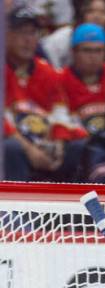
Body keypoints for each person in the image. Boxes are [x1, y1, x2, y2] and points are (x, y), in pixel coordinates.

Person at [3, 5, 70, 181]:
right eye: (21, 33)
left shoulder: (47, 71)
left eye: (32, 33)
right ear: (6, 34)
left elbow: (61, 112)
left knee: (79, 147)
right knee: (9, 148)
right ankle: (11, 207)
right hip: (16, 143)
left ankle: (74, 207)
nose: (27, 40)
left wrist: (59, 144)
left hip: (44, 142)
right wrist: (29, 149)